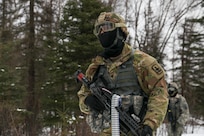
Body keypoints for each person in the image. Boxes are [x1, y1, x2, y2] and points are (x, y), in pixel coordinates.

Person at [77, 12, 168, 136]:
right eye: (99, 29)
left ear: (121, 31)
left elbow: (159, 95)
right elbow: (83, 95)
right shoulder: (96, 67)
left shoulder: (143, 63)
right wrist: (87, 101)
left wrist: (149, 124)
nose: (103, 32)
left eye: (108, 27)